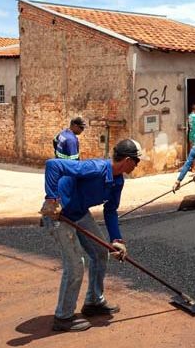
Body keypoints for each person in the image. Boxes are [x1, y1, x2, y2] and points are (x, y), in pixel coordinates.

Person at [39, 138, 143, 332]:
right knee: (76, 265)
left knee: (100, 253)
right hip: (59, 216)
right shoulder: (95, 168)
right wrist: (51, 199)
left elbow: (110, 210)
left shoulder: (117, 181)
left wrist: (117, 240)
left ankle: (94, 302)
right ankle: (63, 317)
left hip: (80, 214)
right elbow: (52, 165)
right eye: (136, 161)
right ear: (128, 160)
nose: (137, 165)